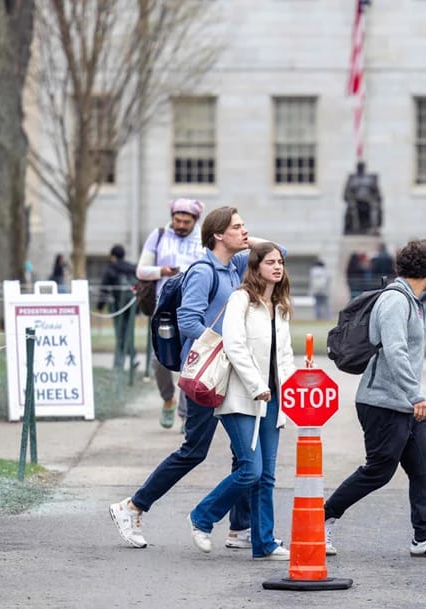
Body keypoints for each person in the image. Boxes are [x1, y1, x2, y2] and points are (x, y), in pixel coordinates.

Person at [109, 206, 280, 551]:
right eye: (237, 227)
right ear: (218, 235)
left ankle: (239, 529)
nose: (245, 231)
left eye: (244, 226)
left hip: (232, 374)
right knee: (194, 451)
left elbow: (280, 253)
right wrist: (227, 349)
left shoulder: (232, 265)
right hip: (207, 375)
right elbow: (188, 321)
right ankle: (132, 506)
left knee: (244, 452)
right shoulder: (203, 271)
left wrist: (246, 242)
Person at [323, 239, 426, 558]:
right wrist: (416, 394)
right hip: (382, 402)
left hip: (404, 401)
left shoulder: (411, 300)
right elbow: (396, 351)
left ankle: (423, 537)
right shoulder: (396, 301)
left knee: (424, 467)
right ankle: (323, 517)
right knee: (379, 470)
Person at [188, 242, 296, 561]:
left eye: (280, 262)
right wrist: (257, 385)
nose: (277, 267)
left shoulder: (279, 305)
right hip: (241, 397)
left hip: (273, 400)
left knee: (267, 476)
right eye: (270, 262)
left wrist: (288, 391)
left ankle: (264, 542)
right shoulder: (241, 300)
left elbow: (285, 355)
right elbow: (235, 346)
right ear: (256, 266)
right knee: (250, 470)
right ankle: (202, 517)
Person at [135, 198, 206, 430]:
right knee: (160, 361)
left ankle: (186, 416)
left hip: (193, 308)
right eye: (178, 220)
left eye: (186, 221)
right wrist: (162, 271)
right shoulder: (158, 235)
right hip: (163, 309)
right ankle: (168, 399)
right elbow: (141, 270)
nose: (181, 225)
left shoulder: (204, 240)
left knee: (190, 361)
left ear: (195, 220)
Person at [98, 245, 138, 367]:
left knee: (120, 333)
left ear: (113, 256)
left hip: (117, 305)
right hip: (132, 305)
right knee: (129, 331)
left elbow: (104, 288)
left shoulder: (110, 269)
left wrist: (100, 306)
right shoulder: (132, 267)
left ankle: (120, 363)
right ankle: (132, 358)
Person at [343, 161, 382, 234]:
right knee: (352, 208)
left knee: (375, 207)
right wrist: (351, 199)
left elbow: (376, 192)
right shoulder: (352, 179)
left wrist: (374, 199)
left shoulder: (370, 179)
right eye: (359, 167)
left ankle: (373, 228)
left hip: (368, 201)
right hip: (356, 201)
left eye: (362, 167)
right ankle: (355, 229)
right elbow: (347, 192)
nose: (360, 169)